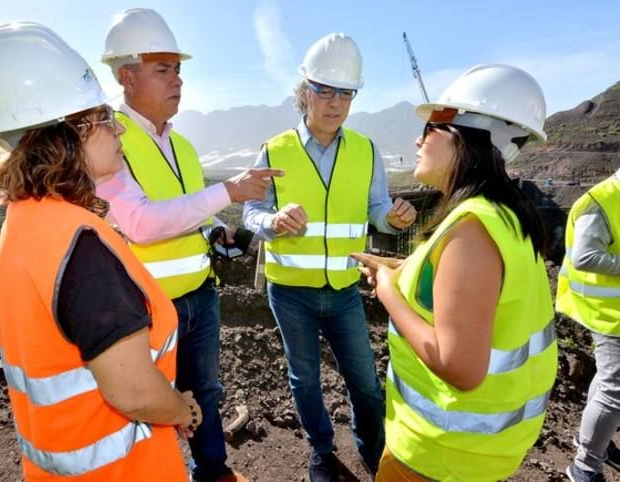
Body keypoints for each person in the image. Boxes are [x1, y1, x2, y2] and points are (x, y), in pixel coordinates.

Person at [0, 22, 200, 481]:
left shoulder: (28, 218)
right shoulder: (80, 246)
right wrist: (181, 410)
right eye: (106, 118)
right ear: (69, 134)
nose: (119, 132)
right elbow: (133, 392)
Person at [99, 9, 278, 482]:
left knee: (205, 391)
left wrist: (216, 227)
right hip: (146, 309)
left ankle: (213, 470)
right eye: (164, 69)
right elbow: (139, 222)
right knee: (147, 404)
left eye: (179, 70)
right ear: (127, 76)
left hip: (199, 294)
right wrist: (230, 192)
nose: (177, 80)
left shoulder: (185, 148)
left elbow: (187, 209)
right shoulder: (108, 141)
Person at [355, 64, 558, 481]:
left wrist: (391, 293)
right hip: (474, 456)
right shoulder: (500, 216)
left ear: (469, 137)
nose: (418, 138)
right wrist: (404, 270)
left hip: (436, 457)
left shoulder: (472, 230)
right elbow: (470, 297)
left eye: (432, 127)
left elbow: (460, 368)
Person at [243, 33, 417, 481]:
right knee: (305, 381)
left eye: (345, 93)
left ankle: (375, 453)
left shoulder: (366, 150)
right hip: (290, 293)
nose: (335, 102)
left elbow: (375, 210)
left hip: (344, 289)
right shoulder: (275, 148)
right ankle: (322, 451)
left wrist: (393, 219)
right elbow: (250, 210)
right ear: (306, 92)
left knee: (365, 384)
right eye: (325, 90)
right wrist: (273, 220)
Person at [557, 168, 620, 482]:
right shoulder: (600, 201)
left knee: (610, 380)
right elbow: (585, 256)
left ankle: (595, 441)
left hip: (614, 308)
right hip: (607, 312)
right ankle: (585, 467)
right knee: (616, 389)